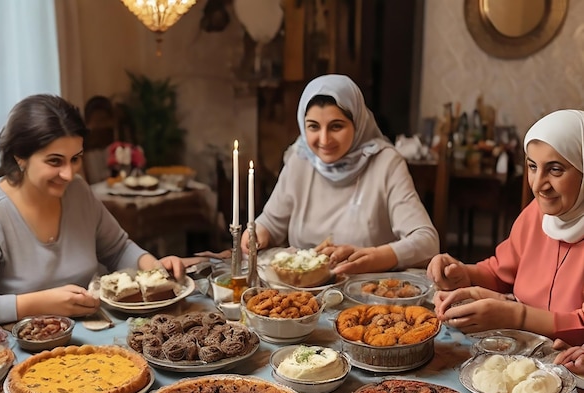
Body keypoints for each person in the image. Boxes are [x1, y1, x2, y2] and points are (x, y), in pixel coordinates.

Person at [0, 94, 185, 329]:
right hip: (23, 350)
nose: (68, 174)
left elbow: (117, 249)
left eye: (75, 159)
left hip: (95, 333)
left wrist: (153, 268)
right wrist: (40, 303)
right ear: (20, 157)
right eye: (55, 161)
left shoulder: (77, 191)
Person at [240, 74, 439, 275]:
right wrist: (258, 232)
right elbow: (272, 222)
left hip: (367, 294)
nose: (324, 140)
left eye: (336, 126)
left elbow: (426, 241)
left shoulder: (386, 163)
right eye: (313, 127)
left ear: (358, 122)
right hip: (303, 292)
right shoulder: (300, 159)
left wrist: (372, 257)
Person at [427, 109, 584, 346]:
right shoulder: (535, 214)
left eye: (555, 169)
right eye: (532, 167)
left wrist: (515, 316)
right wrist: (462, 274)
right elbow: (500, 271)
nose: (538, 185)